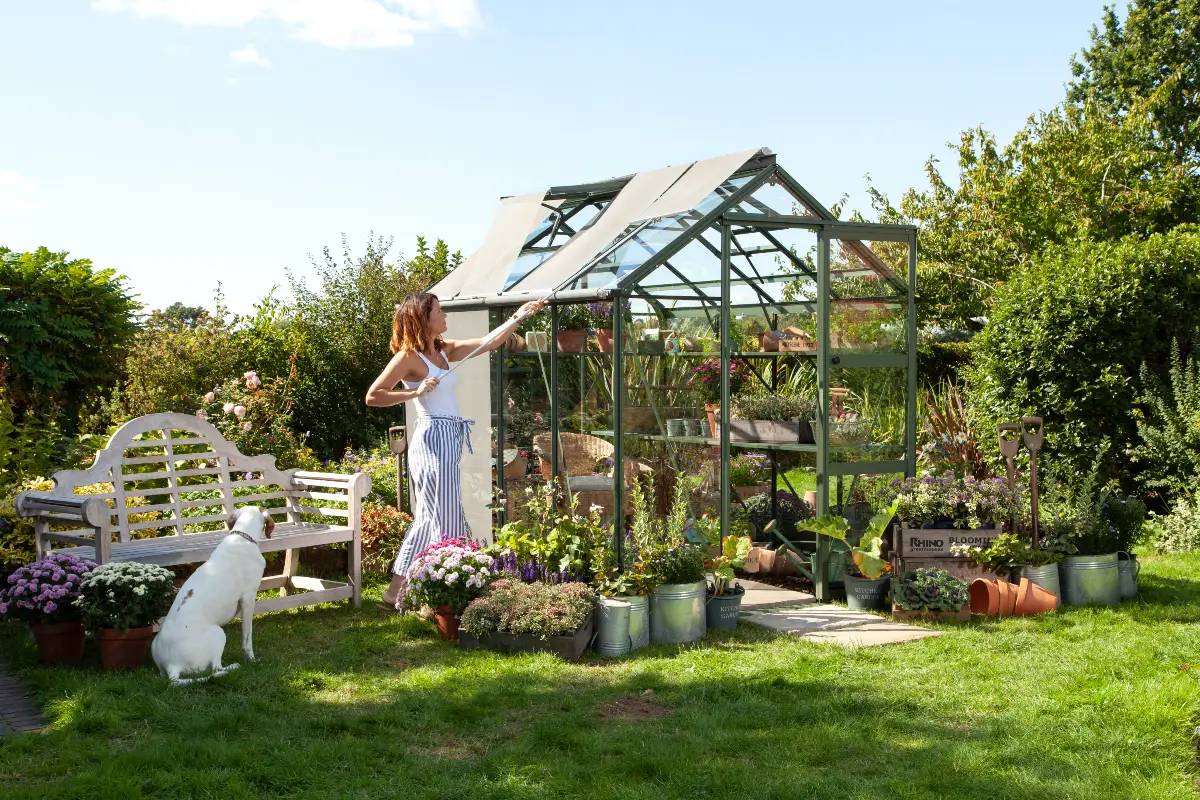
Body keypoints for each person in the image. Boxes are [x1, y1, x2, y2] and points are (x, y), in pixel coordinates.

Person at [365, 292, 544, 610]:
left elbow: (487, 342)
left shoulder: (443, 350)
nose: (444, 314)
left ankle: (398, 593)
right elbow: (374, 395)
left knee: (430, 517)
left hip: (450, 438)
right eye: (439, 310)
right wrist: (414, 393)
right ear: (423, 318)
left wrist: (518, 316)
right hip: (432, 438)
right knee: (443, 516)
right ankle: (449, 592)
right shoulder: (409, 357)